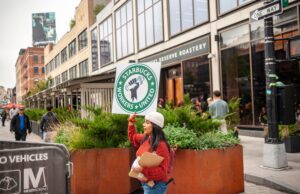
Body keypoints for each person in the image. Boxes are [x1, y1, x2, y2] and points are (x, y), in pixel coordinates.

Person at [128, 111, 170, 194]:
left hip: (155, 186)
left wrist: (142, 169)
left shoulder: (161, 145)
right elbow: (133, 137)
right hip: (147, 184)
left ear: (155, 126)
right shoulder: (146, 138)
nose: (144, 125)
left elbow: (162, 172)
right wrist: (131, 121)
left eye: (147, 123)